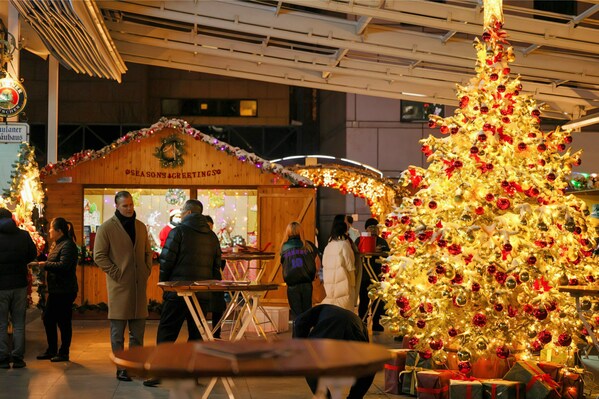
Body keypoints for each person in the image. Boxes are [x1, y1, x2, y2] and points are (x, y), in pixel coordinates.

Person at [144, 200, 221, 387]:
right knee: (196, 334)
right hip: (201, 293)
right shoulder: (212, 237)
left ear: (186, 213)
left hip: (178, 291)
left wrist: (165, 286)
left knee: (167, 332)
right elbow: (215, 268)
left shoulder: (177, 232)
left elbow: (167, 261)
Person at [93, 191, 153, 382]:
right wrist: (117, 273)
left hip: (138, 287)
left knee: (138, 332)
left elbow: (147, 252)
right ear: (117, 207)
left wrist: (145, 270)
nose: (129, 209)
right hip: (119, 287)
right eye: (125, 206)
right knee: (118, 333)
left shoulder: (141, 227)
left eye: (131, 205)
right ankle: (121, 368)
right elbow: (99, 256)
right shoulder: (106, 228)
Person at [293, 304, 375, 399]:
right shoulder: (357, 321)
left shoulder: (318, 310)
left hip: (330, 326)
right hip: (355, 328)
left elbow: (299, 322)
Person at [35, 218, 79, 362]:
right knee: (49, 319)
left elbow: (63, 266)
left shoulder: (68, 245)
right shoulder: (57, 244)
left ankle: (63, 352)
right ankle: (52, 349)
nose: (49, 231)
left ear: (59, 231)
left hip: (65, 290)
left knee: (63, 321)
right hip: (57, 289)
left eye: (51, 228)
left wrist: (44, 265)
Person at [0, 208, 37, 369]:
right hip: (20, 284)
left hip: (1, 286)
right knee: (19, 323)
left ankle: (2, 358)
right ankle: (18, 357)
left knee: (1, 323)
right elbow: (32, 254)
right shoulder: (23, 235)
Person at [280, 221, 320, 318]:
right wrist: (316, 274)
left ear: (288, 232)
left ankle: (297, 332)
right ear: (301, 232)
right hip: (307, 283)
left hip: (292, 284)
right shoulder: (308, 246)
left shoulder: (284, 247)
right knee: (307, 311)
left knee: (296, 313)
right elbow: (318, 261)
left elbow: (283, 263)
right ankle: (306, 332)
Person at [355, 218, 389, 332]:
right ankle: (362, 322)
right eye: (371, 227)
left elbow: (387, 254)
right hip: (364, 275)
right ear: (366, 229)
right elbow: (356, 252)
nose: (373, 229)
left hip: (377, 276)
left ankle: (376, 323)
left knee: (377, 301)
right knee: (364, 300)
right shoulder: (360, 240)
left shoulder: (382, 242)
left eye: (376, 227)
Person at [321, 221, 356, 312]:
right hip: (343, 283)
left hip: (329, 283)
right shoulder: (344, 245)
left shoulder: (328, 246)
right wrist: (353, 283)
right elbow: (350, 265)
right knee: (344, 310)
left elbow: (324, 264)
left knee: (332, 308)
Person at [205, 215, 226, 339]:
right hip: (213, 277)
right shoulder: (213, 238)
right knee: (216, 307)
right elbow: (219, 260)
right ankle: (216, 334)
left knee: (206, 307)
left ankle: (211, 334)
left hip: (205, 278)